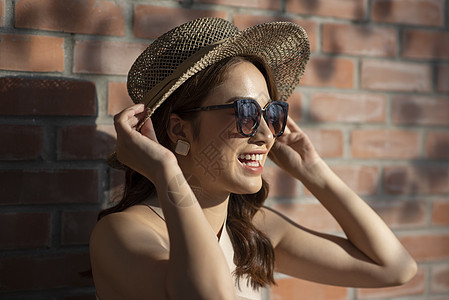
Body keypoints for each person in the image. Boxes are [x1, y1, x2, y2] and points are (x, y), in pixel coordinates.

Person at [89, 17, 417, 300]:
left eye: (271, 113)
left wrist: (313, 171)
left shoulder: (251, 230)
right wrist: (165, 171)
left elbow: (394, 268)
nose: (265, 134)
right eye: (244, 112)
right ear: (179, 129)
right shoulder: (122, 234)